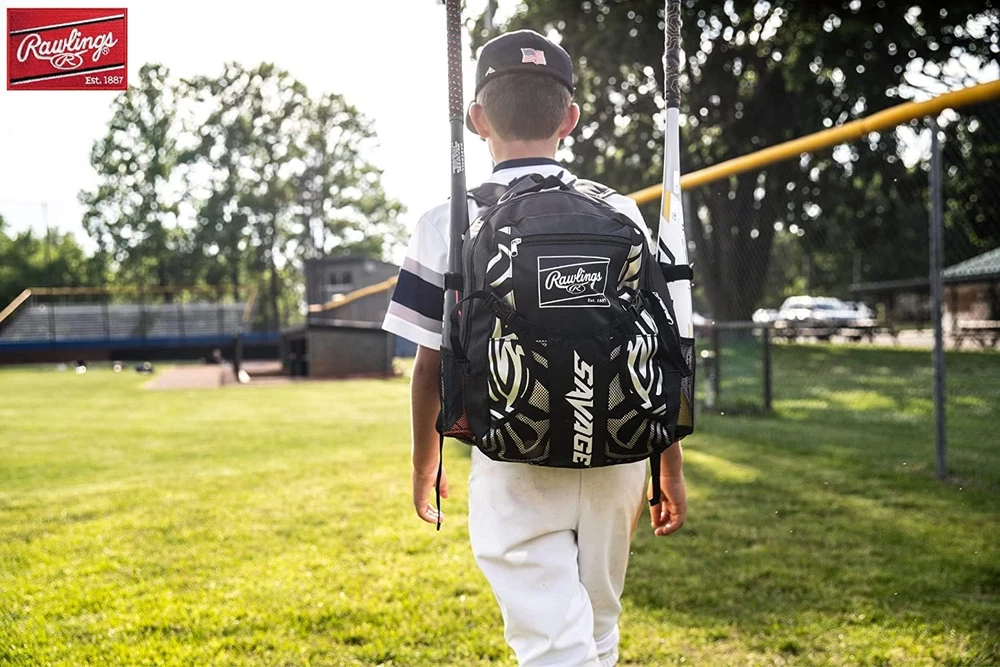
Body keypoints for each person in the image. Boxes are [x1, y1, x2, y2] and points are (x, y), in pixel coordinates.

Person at [382, 29, 687, 667]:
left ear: (477, 119)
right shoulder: (621, 210)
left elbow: (430, 366)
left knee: (551, 644)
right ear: (569, 119)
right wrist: (669, 465)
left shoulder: (447, 220)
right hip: (617, 453)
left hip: (513, 453)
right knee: (597, 625)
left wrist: (424, 464)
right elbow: (660, 345)